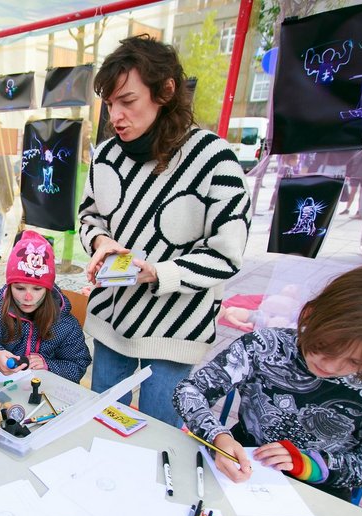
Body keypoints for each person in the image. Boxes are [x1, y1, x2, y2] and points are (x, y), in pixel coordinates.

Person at [79, 36, 251, 427]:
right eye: (109, 104)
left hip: (177, 327)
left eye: (127, 101)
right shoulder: (106, 155)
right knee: (103, 425)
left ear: (166, 91)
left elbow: (227, 253)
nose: (115, 116)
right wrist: (102, 241)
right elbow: (89, 216)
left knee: (159, 435)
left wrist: (159, 272)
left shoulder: (215, 159)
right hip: (112, 318)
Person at [173, 265, 362, 501]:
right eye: (323, 347)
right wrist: (217, 436)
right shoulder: (265, 347)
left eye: (355, 362)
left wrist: (312, 465)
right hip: (238, 460)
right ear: (310, 314)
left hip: (320, 491)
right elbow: (191, 390)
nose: (330, 366)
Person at [0, 231, 91, 382]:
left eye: (37, 289)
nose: (28, 297)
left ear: (48, 289)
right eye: (20, 288)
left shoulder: (65, 324)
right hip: (7, 390)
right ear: (9, 287)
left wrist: (48, 365)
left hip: (46, 394)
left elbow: (78, 365)